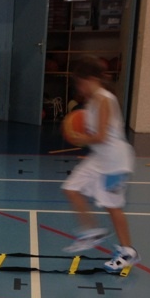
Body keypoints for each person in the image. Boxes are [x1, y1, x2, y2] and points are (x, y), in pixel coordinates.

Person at [60, 55, 139, 273]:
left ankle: (128, 252)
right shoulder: (92, 101)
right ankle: (91, 231)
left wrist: (79, 138)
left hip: (115, 160)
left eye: (80, 82)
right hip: (99, 157)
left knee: (112, 207)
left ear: (91, 79)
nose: (79, 88)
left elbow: (102, 136)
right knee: (71, 188)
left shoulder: (105, 99)